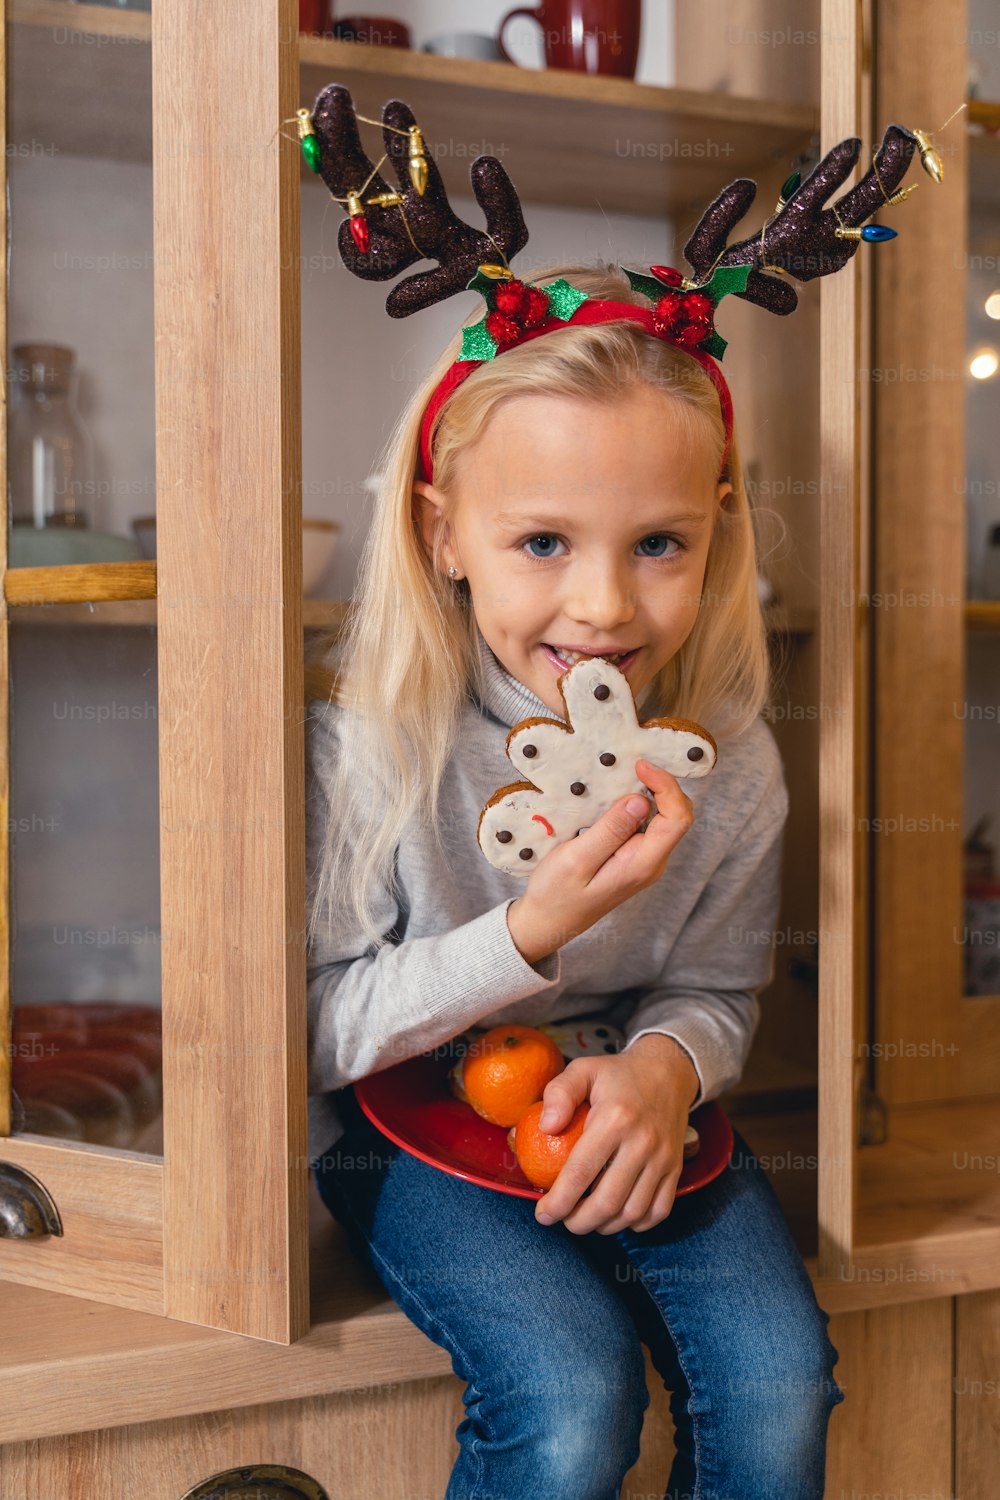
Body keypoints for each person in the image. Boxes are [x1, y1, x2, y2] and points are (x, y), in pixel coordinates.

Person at [304, 255, 846, 1499]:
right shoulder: (372, 748)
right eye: (542, 540)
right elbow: (315, 1029)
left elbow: (715, 991)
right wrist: (531, 929)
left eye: (658, 542)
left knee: (774, 1385)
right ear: (442, 532)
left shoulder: (732, 763)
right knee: (565, 1395)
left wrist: (666, 1069)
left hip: (636, 1108)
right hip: (403, 1121)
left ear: (716, 529)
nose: (601, 606)